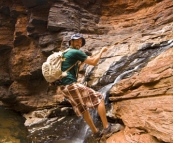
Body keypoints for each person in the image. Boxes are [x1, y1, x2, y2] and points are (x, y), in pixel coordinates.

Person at [59, 33, 111, 140]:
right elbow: (93, 62)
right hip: (70, 85)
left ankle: (95, 132)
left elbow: (82, 61)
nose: (79, 43)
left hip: (64, 88)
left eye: (81, 42)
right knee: (100, 98)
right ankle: (107, 127)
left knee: (83, 109)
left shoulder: (65, 53)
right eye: (77, 40)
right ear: (71, 42)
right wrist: (101, 51)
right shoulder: (75, 52)